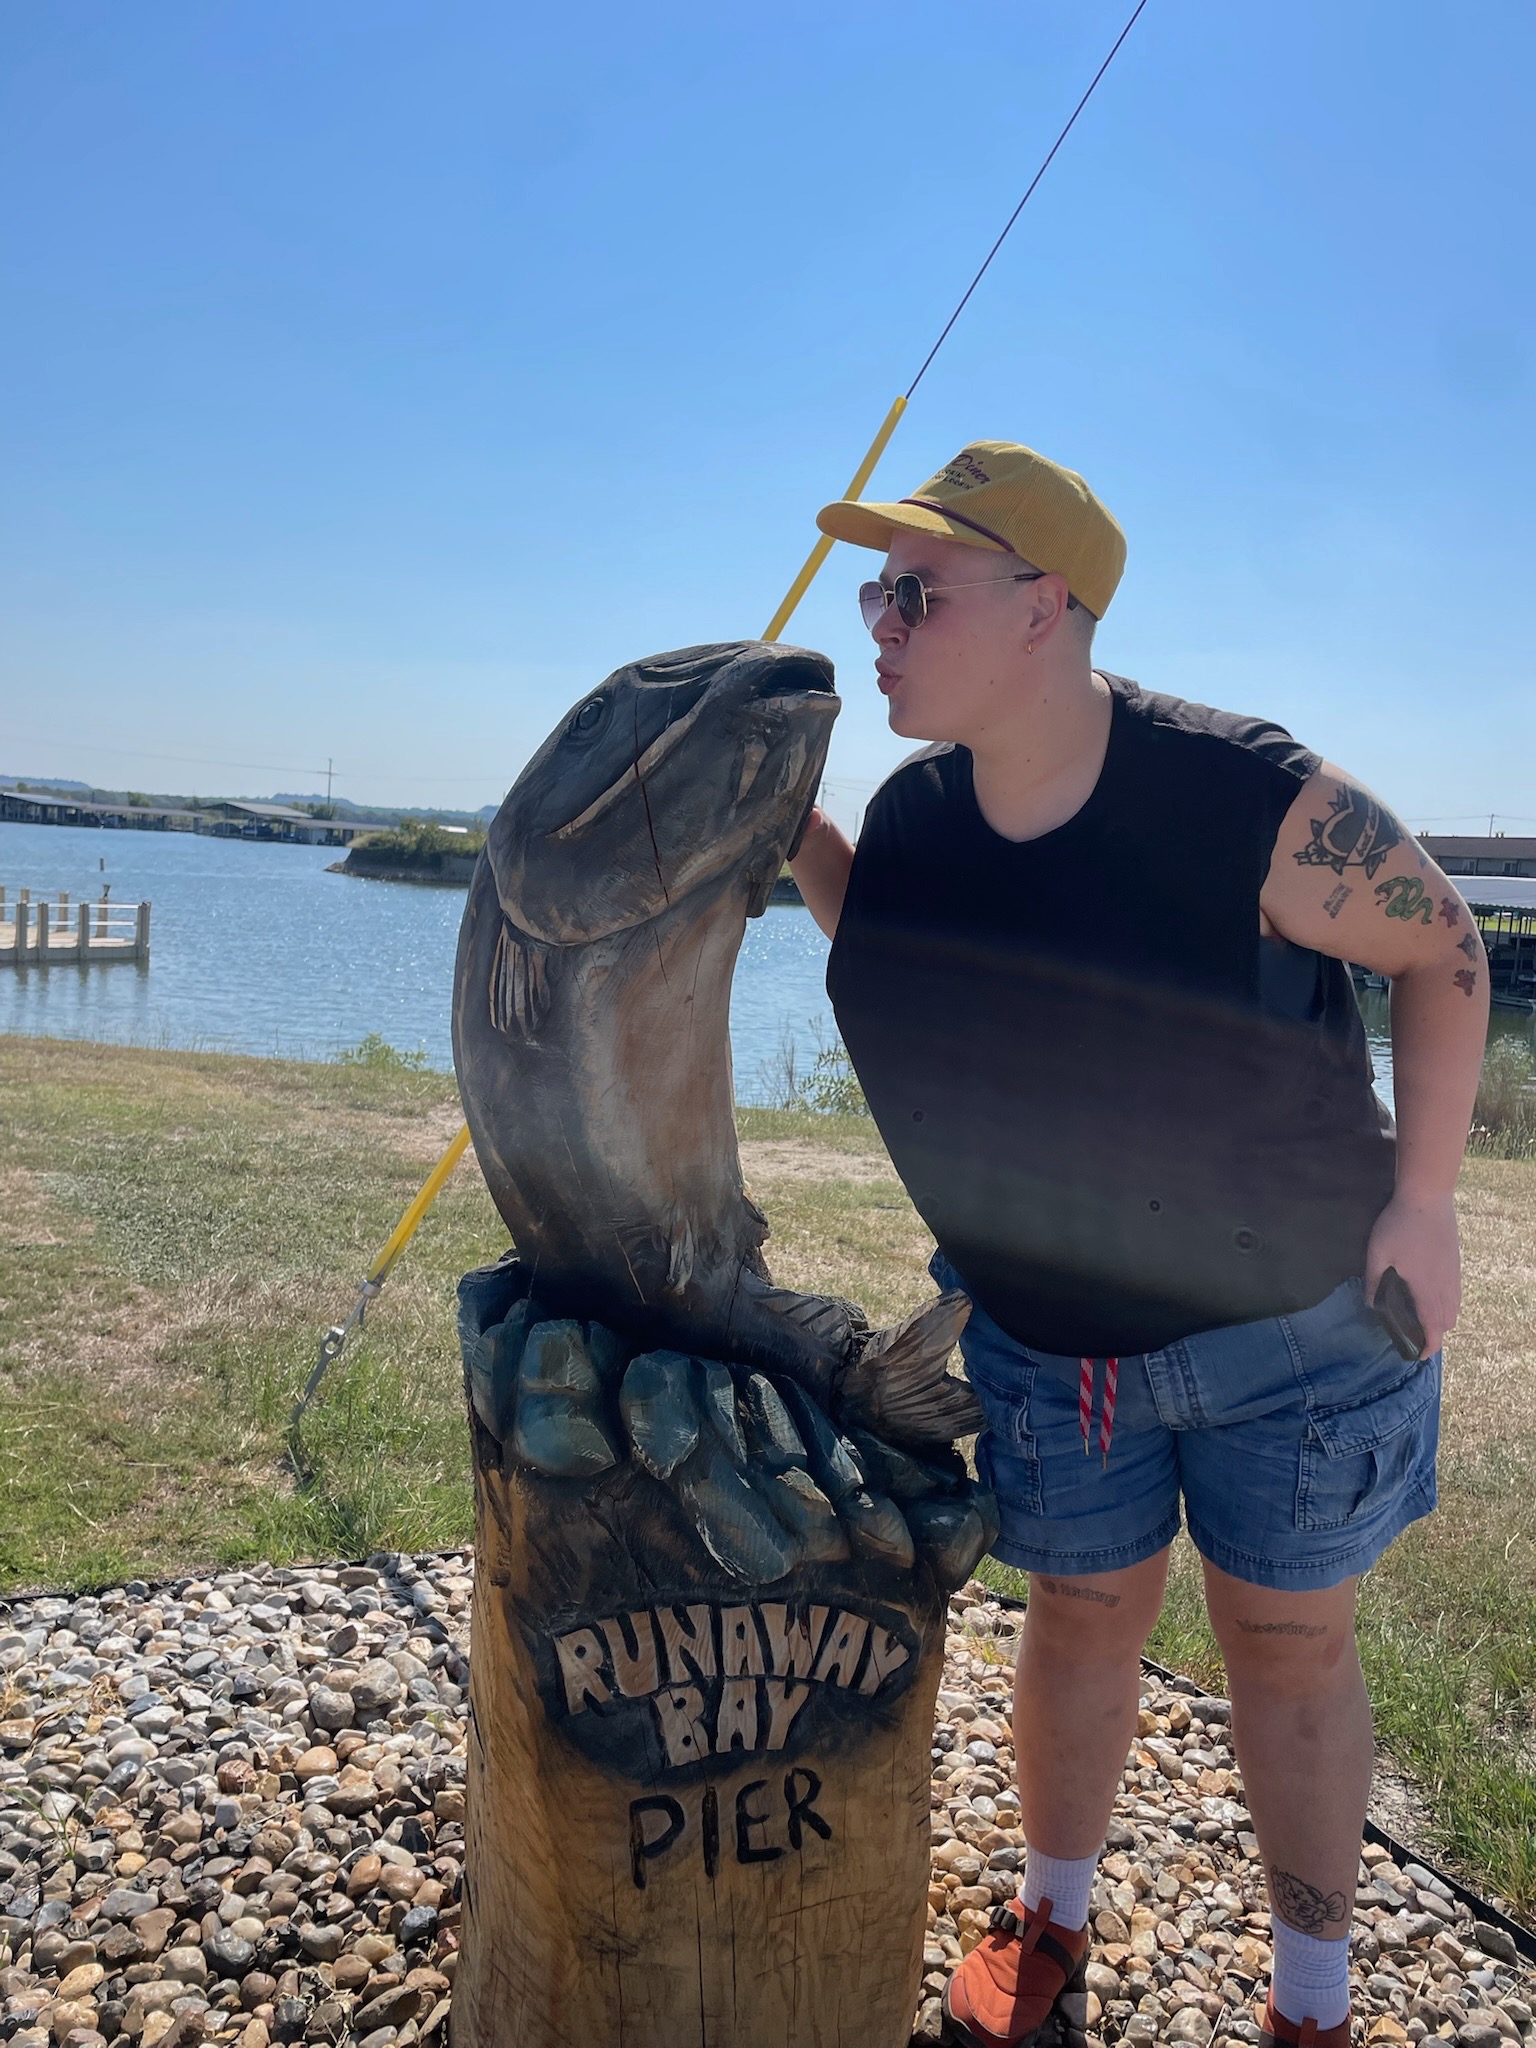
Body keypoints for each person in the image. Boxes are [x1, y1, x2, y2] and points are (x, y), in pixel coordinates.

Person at [791, 441, 1488, 2048]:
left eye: (916, 592)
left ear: (1045, 607)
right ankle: (1053, 1917)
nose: (877, 624)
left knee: (1288, 1648)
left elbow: (1444, 945)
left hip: (1295, 1335)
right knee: (1084, 1616)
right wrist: (790, 830)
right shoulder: (914, 818)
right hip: (1053, 1343)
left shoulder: (1252, 800)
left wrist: (1426, 1200)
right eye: (875, 592)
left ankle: (1311, 2006)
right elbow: (904, 954)